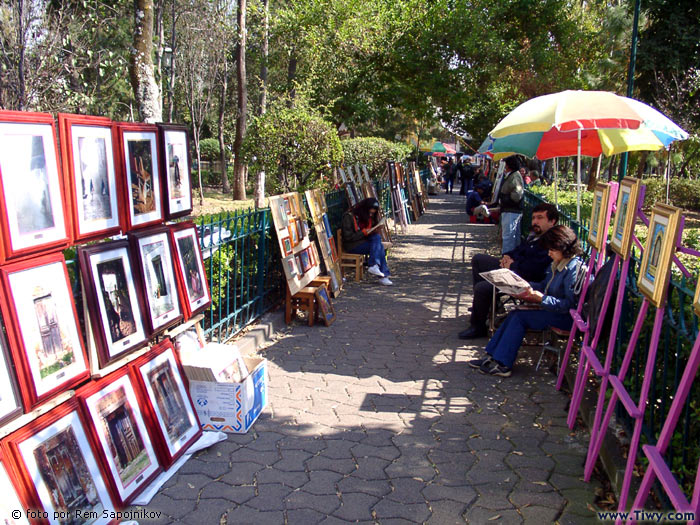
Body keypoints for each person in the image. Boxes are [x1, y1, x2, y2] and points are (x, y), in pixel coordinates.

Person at [467, 225, 584, 377]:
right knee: (515, 313)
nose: (549, 254)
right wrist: (521, 288)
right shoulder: (557, 264)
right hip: (551, 309)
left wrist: (541, 299)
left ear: (563, 248)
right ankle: (492, 355)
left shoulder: (572, 270)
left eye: (552, 250)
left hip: (563, 317)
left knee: (520, 318)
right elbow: (544, 285)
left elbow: (569, 305)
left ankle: (504, 363)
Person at [458, 203, 559, 339]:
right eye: (534, 217)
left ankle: (478, 326)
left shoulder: (551, 243)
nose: (535, 221)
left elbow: (533, 270)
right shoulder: (535, 235)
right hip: (514, 269)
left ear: (552, 221)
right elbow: (519, 250)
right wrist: (507, 257)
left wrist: (511, 266)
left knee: (482, 288)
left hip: (525, 281)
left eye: (540, 218)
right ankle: (488, 307)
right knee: (478, 259)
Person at [341, 198, 393, 286]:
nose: (371, 215)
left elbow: (369, 232)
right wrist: (364, 232)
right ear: (364, 210)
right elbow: (348, 237)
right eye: (369, 213)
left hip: (363, 242)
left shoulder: (368, 218)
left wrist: (375, 229)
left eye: (373, 213)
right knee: (379, 247)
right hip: (352, 245)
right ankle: (382, 275)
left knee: (377, 239)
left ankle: (375, 266)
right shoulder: (349, 216)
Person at [496, 156, 525, 254]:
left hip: (511, 210)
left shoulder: (515, 176)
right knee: (511, 237)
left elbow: (517, 194)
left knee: (509, 238)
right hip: (510, 209)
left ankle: (507, 259)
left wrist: (505, 198)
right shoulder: (512, 175)